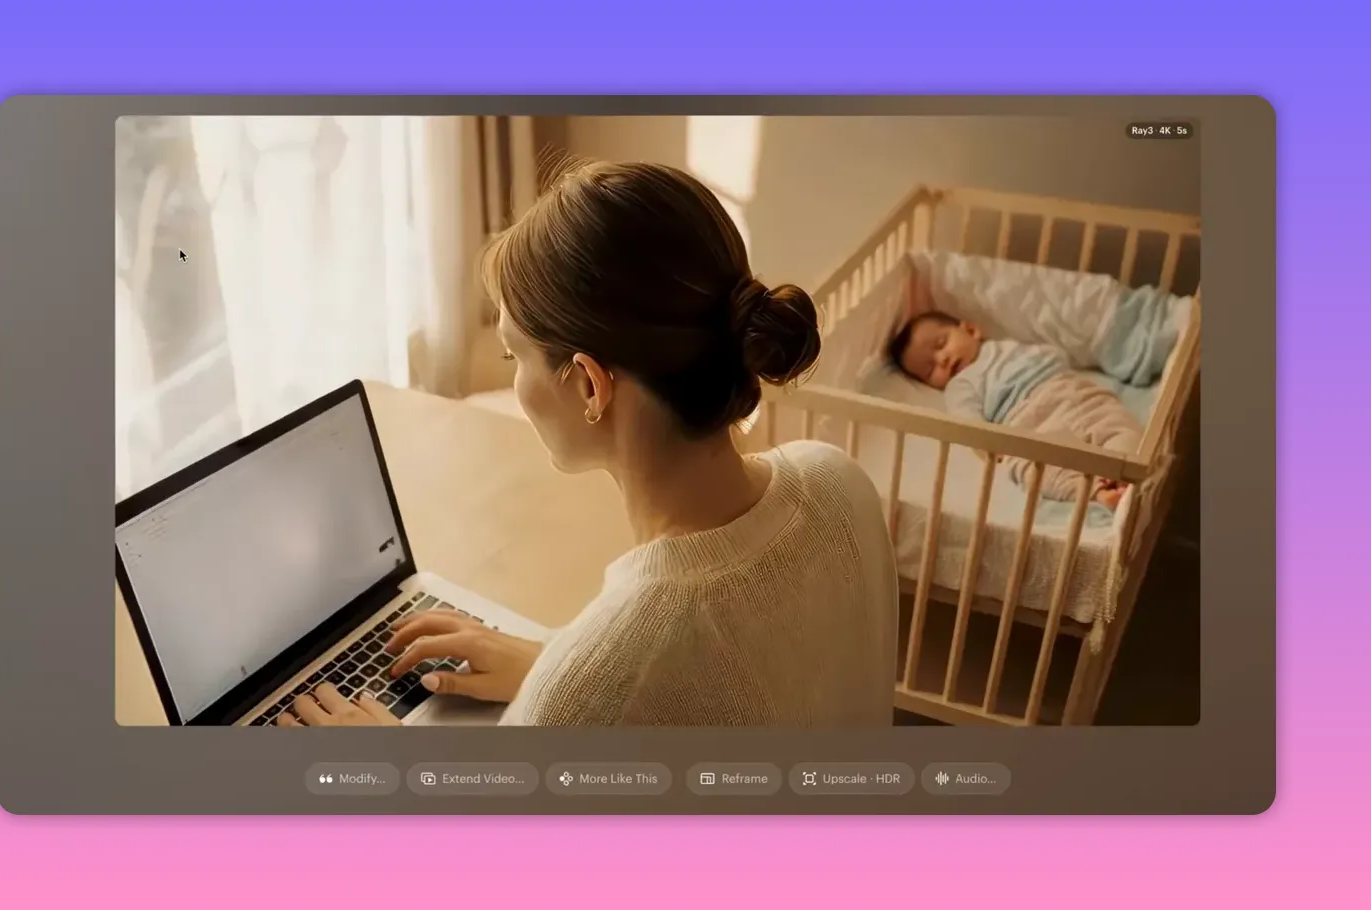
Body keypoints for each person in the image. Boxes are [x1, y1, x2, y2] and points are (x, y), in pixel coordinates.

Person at [279, 160, 899, 728]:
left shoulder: (591, 689)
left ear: (589, 384)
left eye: (512, 355)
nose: (513, 380)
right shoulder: (837, 481)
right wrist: (556, 658)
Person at [888, 311, 1140, 509]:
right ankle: (1096, 492)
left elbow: (1052, 355)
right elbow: (968, 423)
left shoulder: (1004, 346)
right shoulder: (960, 385)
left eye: (942, 343)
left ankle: (1125, 470)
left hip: (1066, 391)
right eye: (929, 369)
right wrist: (989, 447)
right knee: (1030, 468)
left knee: (1111, 420)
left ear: (970, 329)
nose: (941, 359)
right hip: (1025, 422)